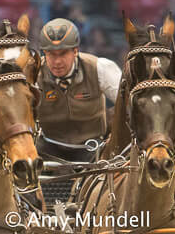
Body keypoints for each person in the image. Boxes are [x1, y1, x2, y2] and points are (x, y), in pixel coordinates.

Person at [36, 18, 122, 161]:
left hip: (92, 149)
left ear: (75, 51)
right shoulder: (34, 74)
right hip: (47, 151)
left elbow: (128, 103)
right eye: (51, 54)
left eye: (63, 53)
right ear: (44, 53)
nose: (57, 61)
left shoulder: (100, 68)